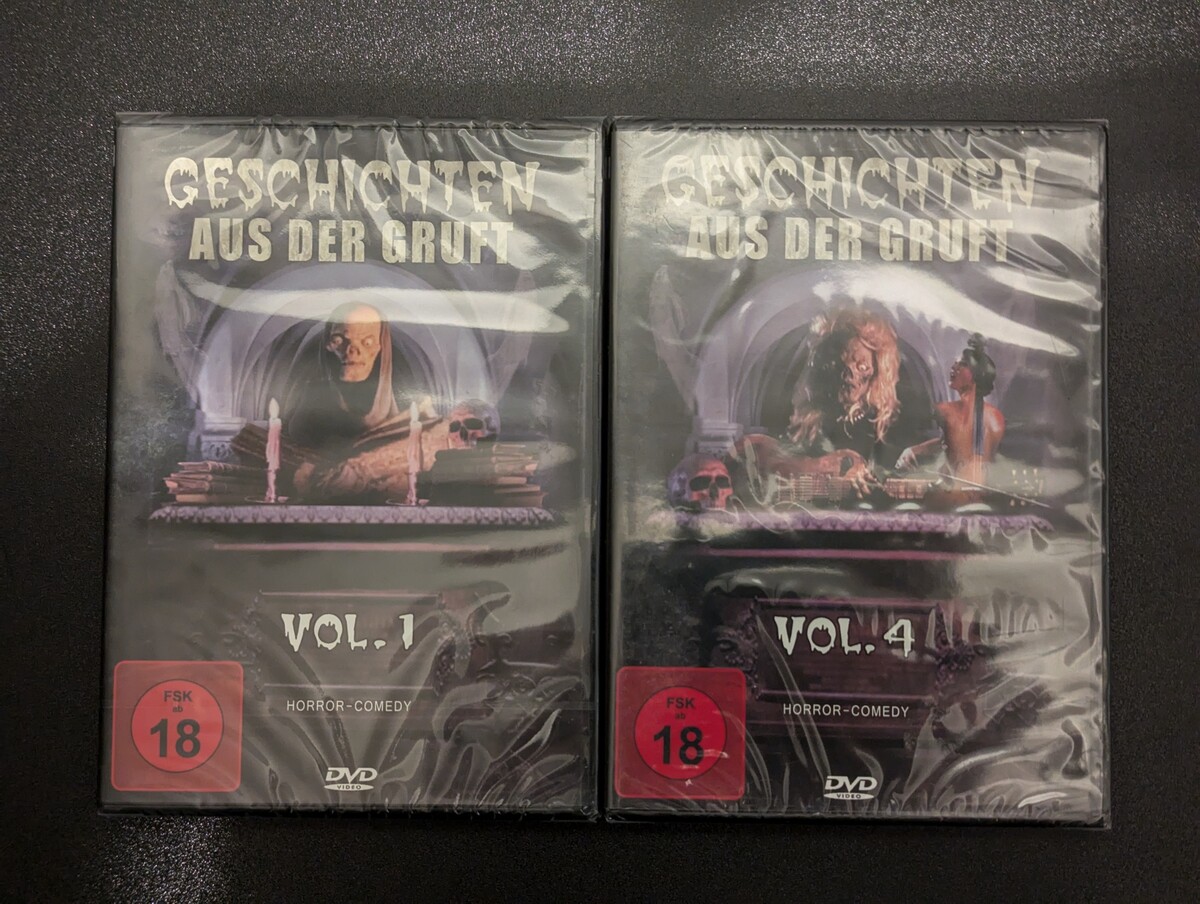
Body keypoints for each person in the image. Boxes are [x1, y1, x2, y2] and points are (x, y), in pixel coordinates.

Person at [285, 302, 438, 501]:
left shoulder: (411, 406)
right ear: (328, 345)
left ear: (381, 347)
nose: (352, 350)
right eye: (340, 340)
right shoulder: (307, 403)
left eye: (366, 342)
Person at [895, 334, 1005, 491]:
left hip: (958, 493)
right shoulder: (997, 416)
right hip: (979, 491)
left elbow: (954, 440)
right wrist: (914, 450)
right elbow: (953, 441)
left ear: (976, 374)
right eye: (956, 362)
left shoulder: (947, 411)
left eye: (963, 364)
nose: (954, 367)